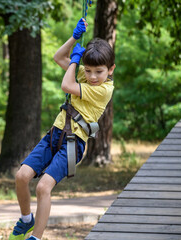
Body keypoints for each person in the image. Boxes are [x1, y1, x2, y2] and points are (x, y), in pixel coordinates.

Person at [9, 18, 116, 240]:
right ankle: (26, 219)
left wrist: (76, 62)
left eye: (99, 71)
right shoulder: (84, 76)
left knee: (43, 188)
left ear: (110, 70)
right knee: (21, 176)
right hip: (54, 135)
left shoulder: (103, 89)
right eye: (89, 71)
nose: (93, 76)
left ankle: (35, 238)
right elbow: (58, 57)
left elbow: (66, 85)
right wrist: (75, 38)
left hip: (73, 144)